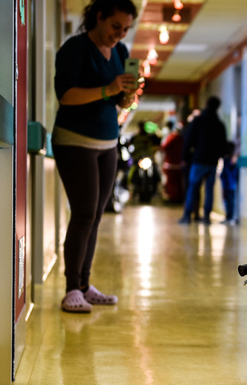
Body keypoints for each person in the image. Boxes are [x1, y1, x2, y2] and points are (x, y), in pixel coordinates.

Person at [51, 0, 138, 313]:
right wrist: (107, 89)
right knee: (84, 213)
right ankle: (72, 289)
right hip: (74, 141)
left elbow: (121, 102)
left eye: (125, 29)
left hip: (108, 143)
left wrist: (128, 94)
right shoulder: (75, 48)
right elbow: (66, 96)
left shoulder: (121, 52)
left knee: (96, 216)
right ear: (99, 17)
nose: (120, 34)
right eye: (116, 26)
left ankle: (85, 285)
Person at [179, 97, 228, 224]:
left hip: (198, 160)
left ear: (206, 104)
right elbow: (223, 144)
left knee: (193, 187)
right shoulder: (219, 124)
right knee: (209, 190)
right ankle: (206, 217)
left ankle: (187, 215)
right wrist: (220, 156)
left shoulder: (198, 120)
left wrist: (184, 157)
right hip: (212, 162)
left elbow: (189, 139)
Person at [161, 121, 185, 203]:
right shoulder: (182, 138)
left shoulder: (171, 137)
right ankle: (178, 198)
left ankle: (173, 198)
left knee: (171, 182)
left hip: (170, 164)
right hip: (179, 164)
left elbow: (164, 147)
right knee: (178, 183)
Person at [219, 141, 239, 224]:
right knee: (227, 200)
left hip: (229, 184)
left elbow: (228, 172)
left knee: (229, 201)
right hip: (228, 184)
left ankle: (230, 217)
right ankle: (228, 216)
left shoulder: (230, 160)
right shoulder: (227, 159)